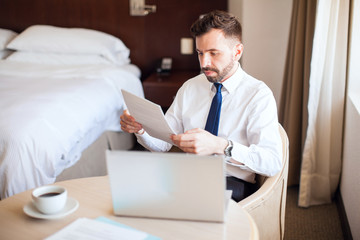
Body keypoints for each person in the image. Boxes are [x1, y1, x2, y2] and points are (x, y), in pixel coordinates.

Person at [120, 10, 282, 202]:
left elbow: (272, 162)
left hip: (230, 182)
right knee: (128, 194)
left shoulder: (258, 95)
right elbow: (163, 144)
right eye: (200, 53)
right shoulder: (190, 88)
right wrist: (141, 130)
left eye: (214, 53)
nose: (205, 63)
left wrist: (221, 146)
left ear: (237, 52)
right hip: (188, 176)